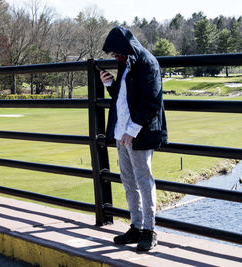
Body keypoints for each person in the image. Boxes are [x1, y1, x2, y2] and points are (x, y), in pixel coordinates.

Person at [99, 26, 168, 251]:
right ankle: (136, 227)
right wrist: (110, 84)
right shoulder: (126, 62)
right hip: (122, 134)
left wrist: (133, 129)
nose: (116, 57)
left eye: (117, 53)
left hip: (139, 134)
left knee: (144, 181)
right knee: (129, 182)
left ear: (125, 47)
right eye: (114, 55)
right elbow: (123, 96)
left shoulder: (148, 63)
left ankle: (150, 230)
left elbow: (151, 101)